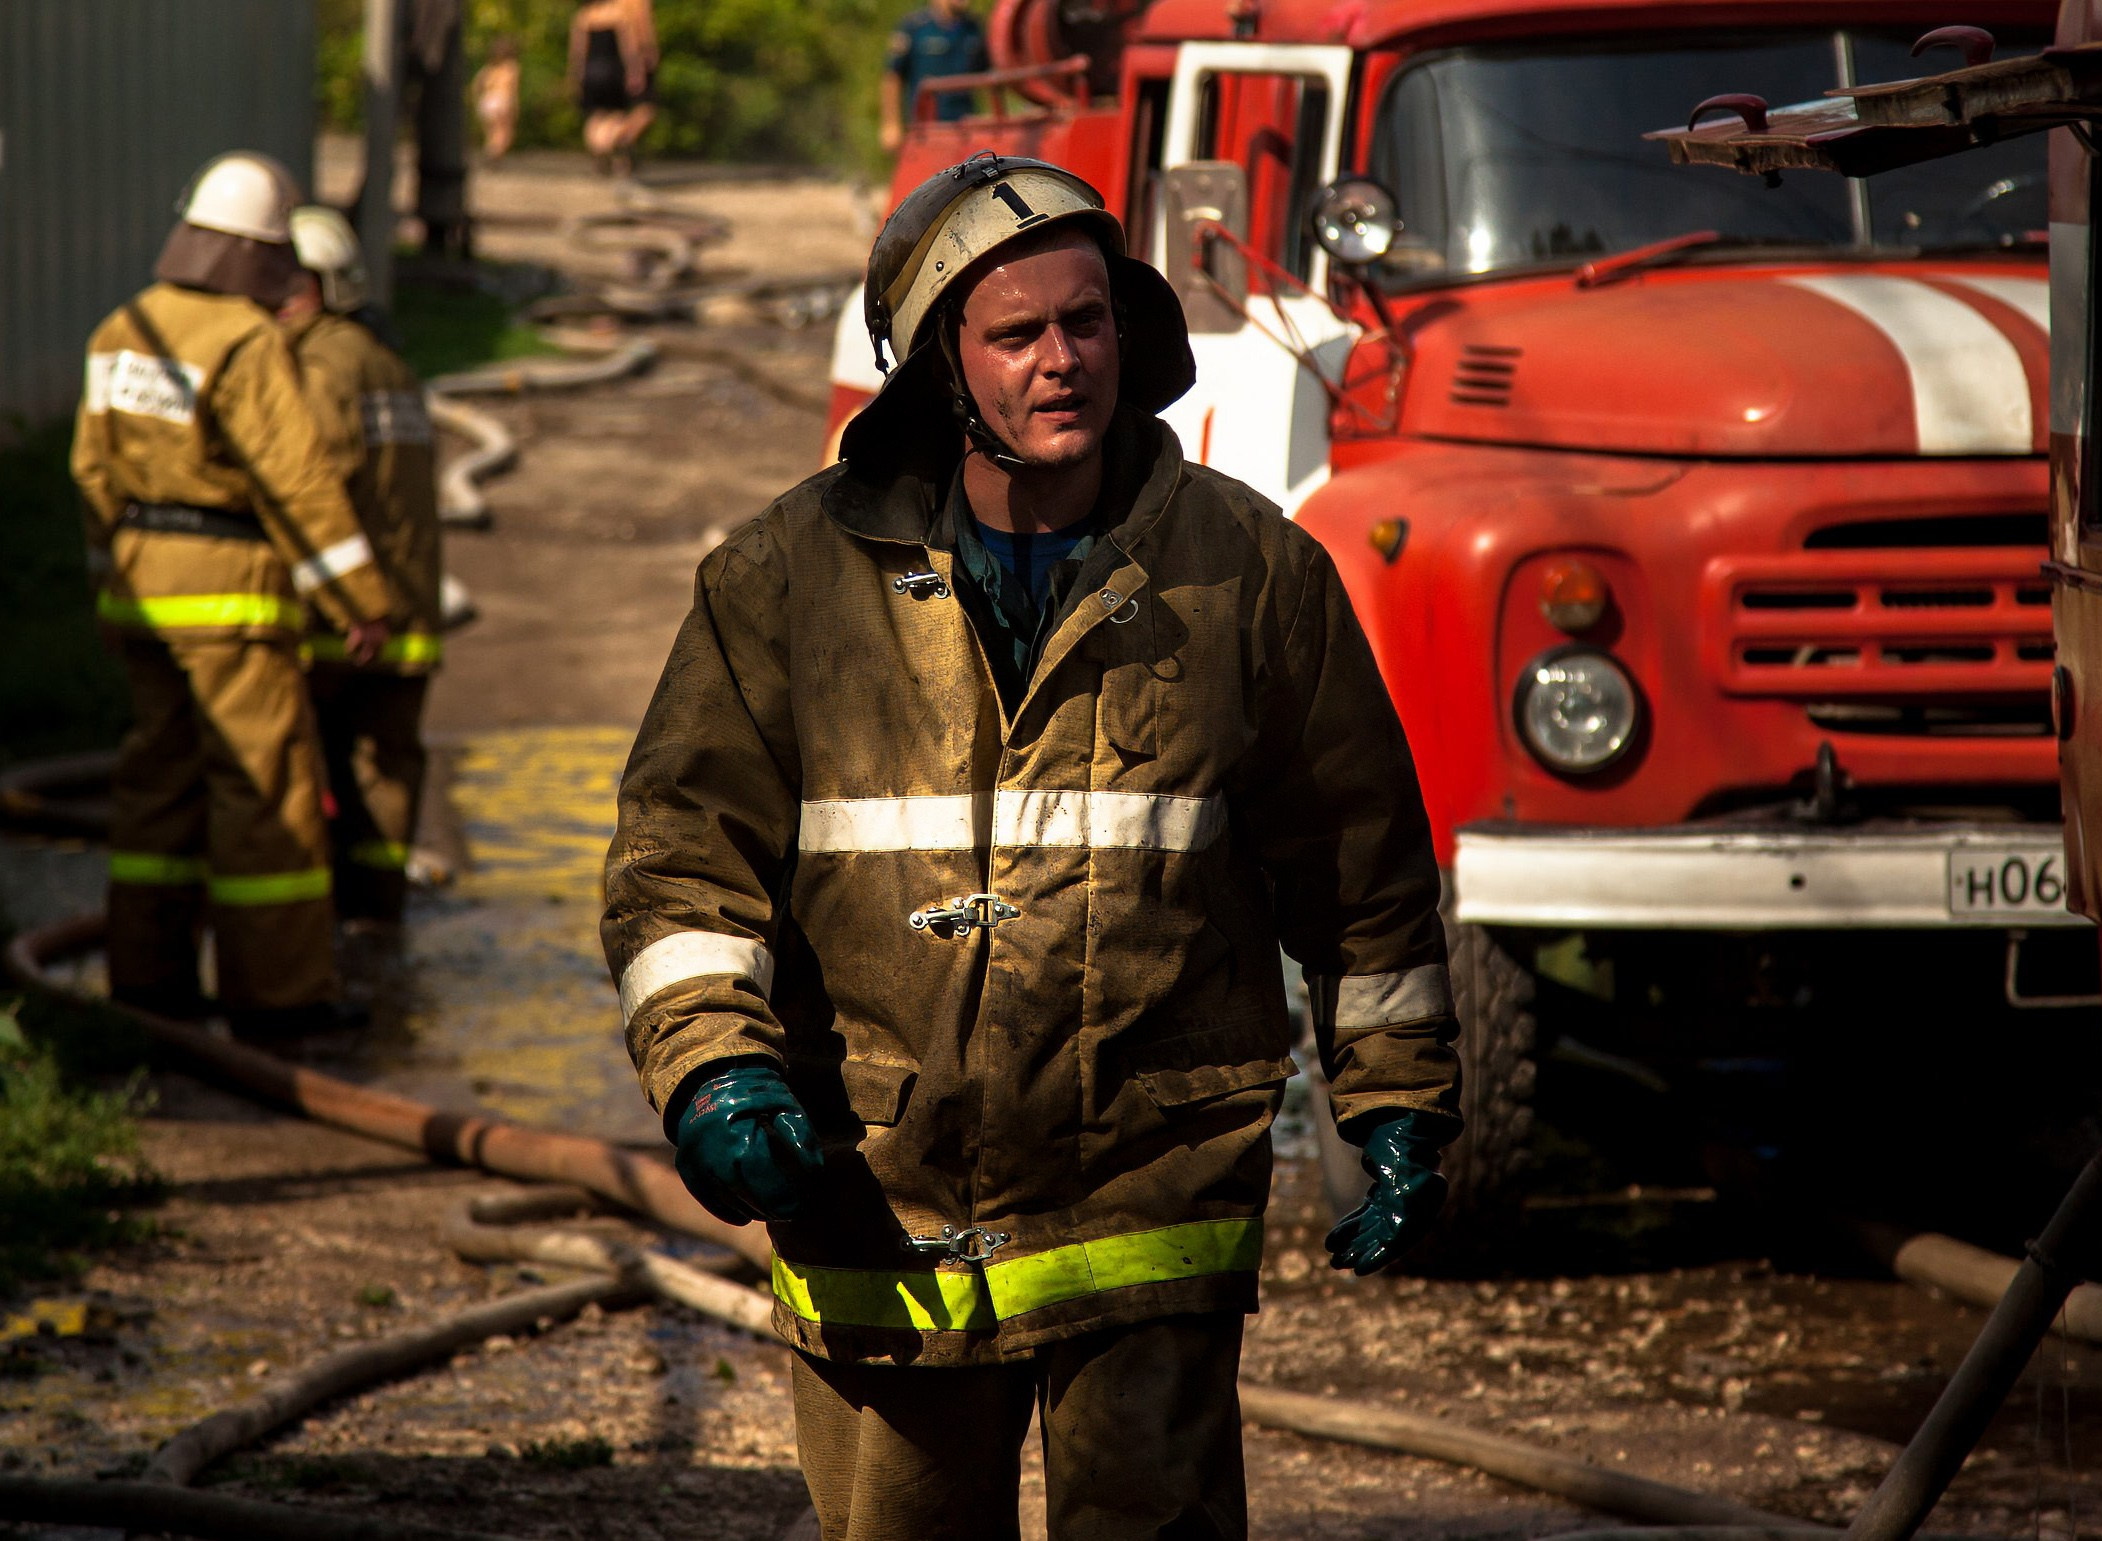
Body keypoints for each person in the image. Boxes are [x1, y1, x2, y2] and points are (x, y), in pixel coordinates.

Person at [602, 154, 1463, 1540]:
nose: (1062, 361)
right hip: (877, 1200)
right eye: (1016, 334)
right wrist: (714, 1069)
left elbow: (1358, 870)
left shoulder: (1247, 572)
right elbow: (678, 868)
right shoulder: (780, 585)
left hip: (1147, 1204)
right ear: (941, 368)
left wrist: (1399, 1099)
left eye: (1088, 321)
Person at [71, 152, 392, 1039]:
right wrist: (360, 600)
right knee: (263, 796)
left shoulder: (120, 328)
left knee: (153, 786)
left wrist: (113, 580)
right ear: (263, 253)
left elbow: (92, 473)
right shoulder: (246, 342)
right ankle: (279, 996)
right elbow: (297, 484)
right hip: (228, 602)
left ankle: (148, 981)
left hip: (141, 594)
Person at [278, 206, 444, 937]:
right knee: (385, 769)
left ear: (314, 286)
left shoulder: (317, 365)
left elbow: (313, 483)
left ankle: (298, 933)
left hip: (341, 618)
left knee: (292, 761)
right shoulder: (390, 361)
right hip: (407, 611)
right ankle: (377, 920)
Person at [878, 0, 990, 152]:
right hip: (926, 130)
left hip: (966, 129)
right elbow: (893, 76)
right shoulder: (914, 27)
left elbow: (987, 75)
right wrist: (891, 124)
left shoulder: (973, 28)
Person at [569, 0, 658, 177]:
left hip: (590, 71)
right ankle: (612, 143)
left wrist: (576, 75)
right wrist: (634, 69)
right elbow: (628, 46)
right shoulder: (618, 14)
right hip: (612, 69)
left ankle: (599, 148)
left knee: (595, 115)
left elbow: (578, 50)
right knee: (615, 113)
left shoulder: (583, 16)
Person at [473, 36, 523, 162]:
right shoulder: (511, 68)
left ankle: (491, 152)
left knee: (491, 133)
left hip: (487, 100)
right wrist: (515, 106)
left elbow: (476, 85)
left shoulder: (488, 69)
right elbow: (513, 90)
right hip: (502, 100)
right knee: (504, 133)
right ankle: (494, 155)